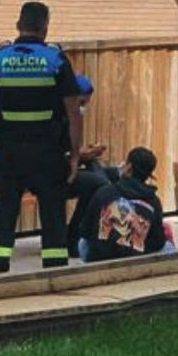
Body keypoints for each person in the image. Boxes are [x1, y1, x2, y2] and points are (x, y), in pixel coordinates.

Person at [0, 1, 82, 274]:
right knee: (53, 218)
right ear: (45, 28)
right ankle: (55, 275)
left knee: (3, 218)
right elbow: (73, 113)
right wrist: (75, 156)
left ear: (18, 26)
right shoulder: (56, 60)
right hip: (48, 153)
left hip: (9, 153)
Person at [78, 147, 168, 262]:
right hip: (134, 263)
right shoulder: (154, 202)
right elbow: (157, 243)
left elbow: (85, 231)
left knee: (82, 243)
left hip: (99, 260)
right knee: (168, 246)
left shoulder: (104, 192)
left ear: (128, 168)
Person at [66, 74, 116, 257]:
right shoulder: (62, 115)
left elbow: (71, 151)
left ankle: (86, 233)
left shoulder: (74, 115)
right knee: (99, 184)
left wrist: (87, 153)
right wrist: (84, 155)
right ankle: (75, 236)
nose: (84, 107)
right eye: (82, 102)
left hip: (68, 169)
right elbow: (60, 155)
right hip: (53, 175)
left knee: (110, 174)